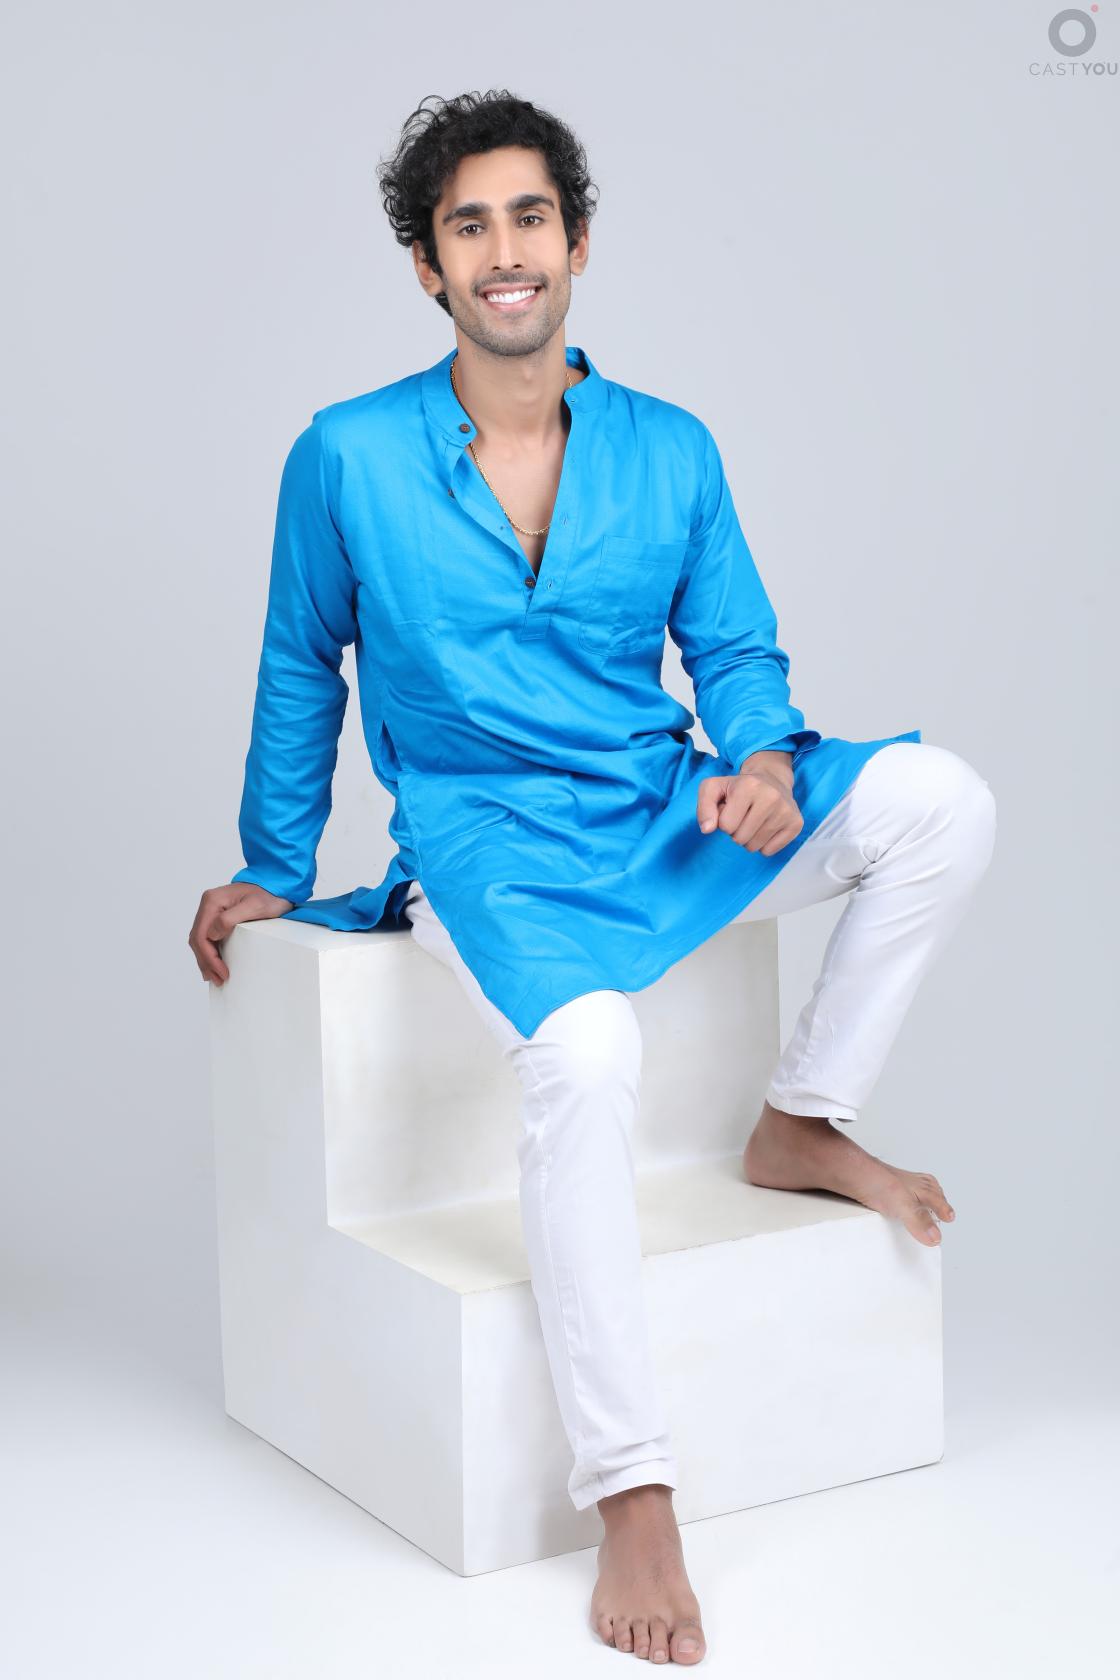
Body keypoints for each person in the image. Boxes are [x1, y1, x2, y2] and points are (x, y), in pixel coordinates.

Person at [189, 90, 997, 1665]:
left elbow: (736, 649)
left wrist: (761, 761)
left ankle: (803, 1116)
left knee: (941, 804)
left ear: (576, 242)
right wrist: (275, 863)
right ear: (427, 265)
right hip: (487, 847)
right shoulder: (345, 455)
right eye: (469, 225)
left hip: (657, 805)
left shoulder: (670, 446)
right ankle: (631, 1485)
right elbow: (303, 664)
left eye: (531, 218)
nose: (506, 251)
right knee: (589, 1051)